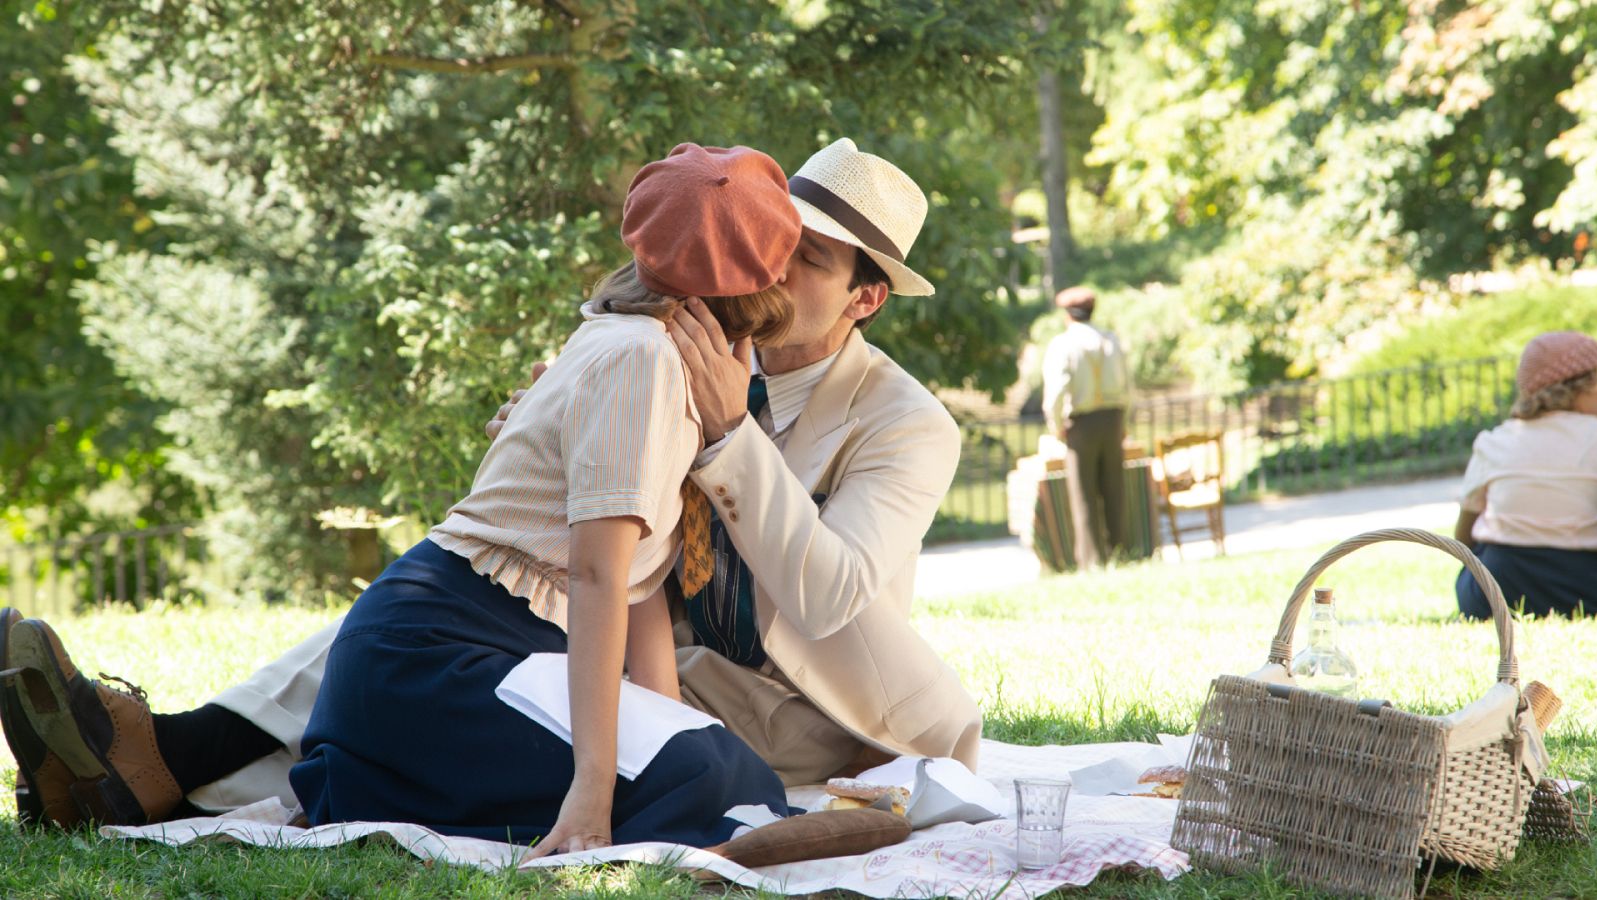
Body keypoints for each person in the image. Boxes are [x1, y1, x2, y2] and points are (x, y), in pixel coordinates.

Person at [2, 137, 983, 831]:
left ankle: (158, 761)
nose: (774, 258)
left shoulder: (907, 425)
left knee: (441, 645)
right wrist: (557, 440)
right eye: (774, 236)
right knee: (422, 625)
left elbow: (827, 594)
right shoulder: (678, 339)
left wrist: (726, 434)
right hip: (608, 648)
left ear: (865, 296)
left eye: (805, 256)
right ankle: (159, 755)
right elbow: (600, 556)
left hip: (776, 708)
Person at [1454, 330, 1597, 620]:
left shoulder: (1495, 440)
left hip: (1498, 587)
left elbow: (1464, 536)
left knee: (1477, 564)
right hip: (1586, 584)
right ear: (1588, 385)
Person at [1040, 286, 1131, 568]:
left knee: (1084, 495)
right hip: (1113, 418)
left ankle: (1093, 561)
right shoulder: (1111, 339)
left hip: (1081, 423)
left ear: (1067, 315)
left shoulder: (1063, 344)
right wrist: (1124, 422)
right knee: (1115, 489)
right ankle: (1123, 553)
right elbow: (1128, 386)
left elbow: (1055, 393)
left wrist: (1056, 427)